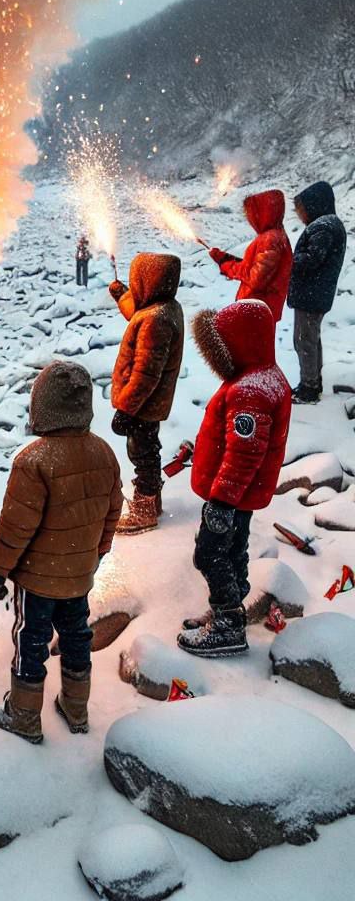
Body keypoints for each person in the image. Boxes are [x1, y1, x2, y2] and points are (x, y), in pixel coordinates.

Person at [0, 361, 122, 743]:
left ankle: (24, 716)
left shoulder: (34, 461)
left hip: (37, 581)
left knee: (31, 639)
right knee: (77, 635)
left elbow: (16, 526)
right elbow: (112, 511)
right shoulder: (103, 453)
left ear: (40, 407)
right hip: (78, 574)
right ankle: (76, 708)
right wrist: (97, 553)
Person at [178, 300, 291, 657]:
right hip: (245, 492)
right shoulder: (266, 377)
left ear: (240, 343)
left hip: (231, 494)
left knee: (209, 554)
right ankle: (231, 605)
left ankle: (228, 622)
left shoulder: (249, 391)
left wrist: (222, 501)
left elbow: (244, 453)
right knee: (233, 548)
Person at [108, 253, 185, 534]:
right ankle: (152, 502)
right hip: (149, 403)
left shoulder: (156, 321)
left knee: (143, 453)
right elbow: (137, 312)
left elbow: (145, 375)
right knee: (147, 449)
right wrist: (122, 295)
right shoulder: (162, 308)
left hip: (144, 404)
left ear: (148, 282)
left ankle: (145, 510)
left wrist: (127, 409)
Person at [287, 181, 347, 404]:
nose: (299, 215)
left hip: (311, 295)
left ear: (314, 205)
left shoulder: (323, 227)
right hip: (314, 294)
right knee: (310, 339)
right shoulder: (327, 224)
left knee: (305, 341)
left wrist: (288, 261)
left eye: (301, 210)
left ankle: (309, 389)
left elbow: (312, 260)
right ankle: (312, 381)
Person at [207, 190, 292, 322]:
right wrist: (225, 258)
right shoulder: (277, 235)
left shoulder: (269, 239)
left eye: (251, 213)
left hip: (255, 310)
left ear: (263, 213)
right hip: (262, 308)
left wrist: (227, 264)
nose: (250, 219)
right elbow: (260, 268)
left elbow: (255, 278)